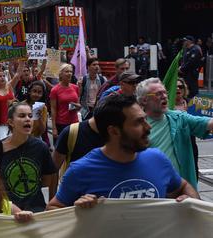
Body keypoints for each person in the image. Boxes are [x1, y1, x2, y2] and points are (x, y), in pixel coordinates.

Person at [47, 94, 199, 209]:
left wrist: (191, 202)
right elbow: (52, 210)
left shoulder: (158, 159)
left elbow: (182, 186)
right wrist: (76, 210)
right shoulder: (80, 171)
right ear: (114, 131)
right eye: (138, 122)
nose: (148, 127)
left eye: (145, 119)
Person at [136, 78, 213, 190]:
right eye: (158, 94)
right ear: (144, 100)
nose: (164, 96)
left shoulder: (179, 118)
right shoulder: (135, 125)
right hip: (153, 189)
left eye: (164, 92)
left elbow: (208, 123)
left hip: (183, 190)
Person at [0, 103, 56, 212]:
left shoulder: (41, 147)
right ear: (11, 122)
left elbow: (48, 179)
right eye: (22, 116)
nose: (27, 119)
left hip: (35, 210)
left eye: (30, 116)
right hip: (8, 211)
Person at [50, 63, 80, 139]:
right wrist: (54, 128)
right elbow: (53, 109)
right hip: (61, 124)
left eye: (71, 71)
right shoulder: (55, 90)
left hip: (74, 123)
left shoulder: (75, 87)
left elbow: (78, 105)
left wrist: (78, 106)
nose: (69, 73)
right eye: (66, 71)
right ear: (61, 74)